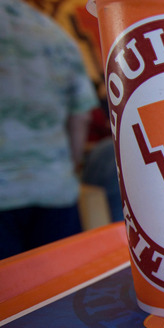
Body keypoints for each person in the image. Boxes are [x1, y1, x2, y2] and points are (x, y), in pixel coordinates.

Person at [0, 0, 99, 259]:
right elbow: (80, 116)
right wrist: (72, 166)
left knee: (8, 295)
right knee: (57, 288)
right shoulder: (53, 33)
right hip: (54, 186)